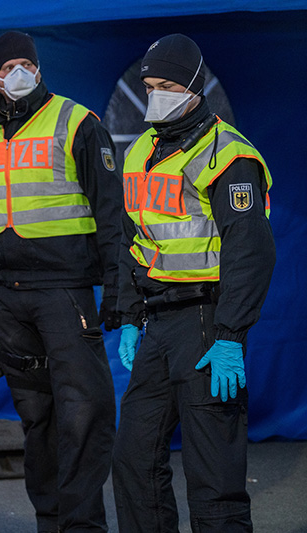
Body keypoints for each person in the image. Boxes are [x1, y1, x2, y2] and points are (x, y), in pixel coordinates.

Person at [0, 30, 122, 532]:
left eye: (25, 63)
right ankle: (51, 521)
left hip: (64, 291)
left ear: (38, 67)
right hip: (5, 298)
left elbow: (111, 213)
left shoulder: (76, 122)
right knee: (38, 418)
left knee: (84, 411)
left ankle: (82, 526)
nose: (18, 73)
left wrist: (120, 289)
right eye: (7, 65)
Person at [111, 34, 276, 532]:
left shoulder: (229, 155)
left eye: (166, 85)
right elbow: (129, 241)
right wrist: (127, 316)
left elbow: (251, 252)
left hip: (207, 324)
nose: (155, 94)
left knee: (214, 479)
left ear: (193, 87)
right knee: (133, 462)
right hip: (157, 322)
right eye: (149, 85)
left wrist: (230, 337)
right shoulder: (141, 150)